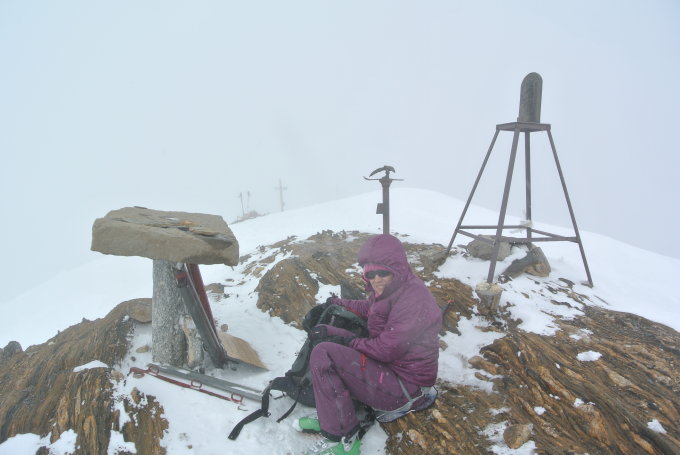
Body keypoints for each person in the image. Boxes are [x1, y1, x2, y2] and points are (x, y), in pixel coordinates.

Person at [298, 234, 443, 455]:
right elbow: (370, 309)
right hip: (392, 370)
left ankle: (343, 439)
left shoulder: (413, 299)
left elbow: (386, 349)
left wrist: (346, 340)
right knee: (326, 336)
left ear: (397, 269)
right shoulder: (393, 290)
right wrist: (335, 303)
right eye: (370, 274)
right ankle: (333, 416)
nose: (376, 279)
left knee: (325, 353)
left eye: (382, 272)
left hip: (407, 388)